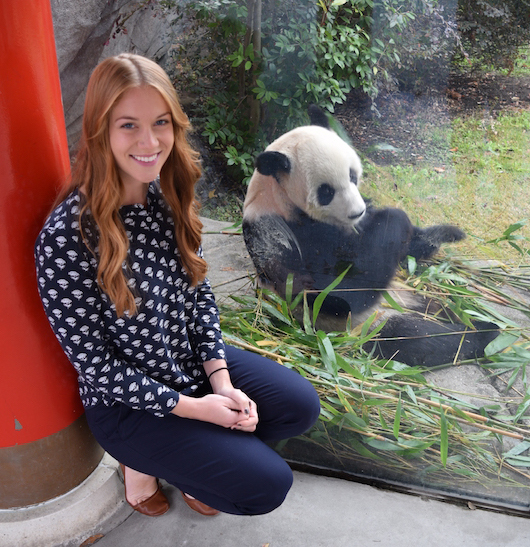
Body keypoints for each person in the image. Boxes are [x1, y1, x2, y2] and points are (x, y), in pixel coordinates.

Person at [34, 53, 320, 517]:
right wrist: (195, 409)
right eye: (128, 125)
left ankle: (194, 460)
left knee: (299, 406)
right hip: (127, 404)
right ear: (100, 131)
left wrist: (220, 382)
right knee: (266, 486)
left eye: (160, 122)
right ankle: (142, 466)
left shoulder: (167, 191)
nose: (149, 142)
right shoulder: (67, 237)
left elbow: (199, 293)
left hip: (184, 362)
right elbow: (96, 367)